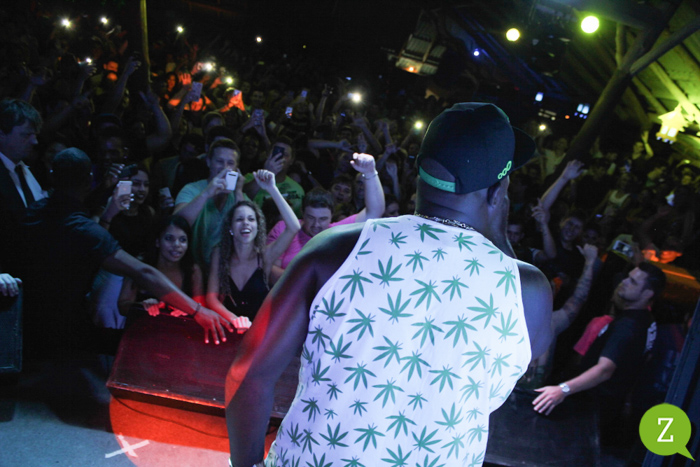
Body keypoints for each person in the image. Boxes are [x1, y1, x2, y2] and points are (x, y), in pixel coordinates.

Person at [225, 103, 553, 467]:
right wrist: (497, 235)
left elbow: (248, 375)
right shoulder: (528, 290)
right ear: (498, 192)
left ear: (419, 171)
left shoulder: (334, 250)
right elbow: (525, 355)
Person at [18, 148, 233, 357]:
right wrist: (198, 311)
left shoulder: (32, 212)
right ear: (89, 180)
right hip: (64, 330)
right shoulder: (83, 229)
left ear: (52, 174)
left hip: (24, 321)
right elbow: (143, 272)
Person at [533, 263, 665, 441]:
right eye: (628, 277)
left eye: (633, 282)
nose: (625, 282)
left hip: (593, 408)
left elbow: (605, 369)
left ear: (648, 294)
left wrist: (562, 389)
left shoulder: (628, 326)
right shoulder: (647, 321)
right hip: (607, 407)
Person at [207, 170, 301, 330]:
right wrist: (235, 320)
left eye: (251, 219)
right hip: (229, 327)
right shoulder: (220, 253)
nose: (246, 223)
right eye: (239, 219)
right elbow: (211, 298)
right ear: (230, 228)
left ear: (258, 227)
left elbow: (293, 227)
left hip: (259, 331)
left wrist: (272, 188)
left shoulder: (265, 256)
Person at [266, 153, 385, 270]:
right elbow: (269, 268)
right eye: (311, 217)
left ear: (332, 215)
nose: (316, 225)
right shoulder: (284, 228)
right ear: (302, 213)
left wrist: (370, 173)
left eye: (323, 219)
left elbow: (375, 212)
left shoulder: (337, 231)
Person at [173, 138, 245, 270]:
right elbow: (176, 225)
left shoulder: (239, 196)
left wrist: (239, 192)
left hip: (227, 270)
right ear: (208, 162)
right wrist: (207, 193)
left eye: (230, 163)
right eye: (219, 161)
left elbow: (246, 232)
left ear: (236, 168)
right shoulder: (191, 190)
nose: (225, 167)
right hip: (192, 268)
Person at [118, 215, 204, 321]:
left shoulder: (192, 270)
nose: (177, 245)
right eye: (169, 239)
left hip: (177, 328)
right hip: (142, 326)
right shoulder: (140, 264)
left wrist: (188, 311)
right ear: (157, 242)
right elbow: (122, 306)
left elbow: (200, 308)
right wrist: (142, 305)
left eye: (182, 240)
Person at [0, 99, 45, 272]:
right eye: (26, 135)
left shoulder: (24, 169)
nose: (34, 142)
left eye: (35, 135)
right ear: (1, 134)